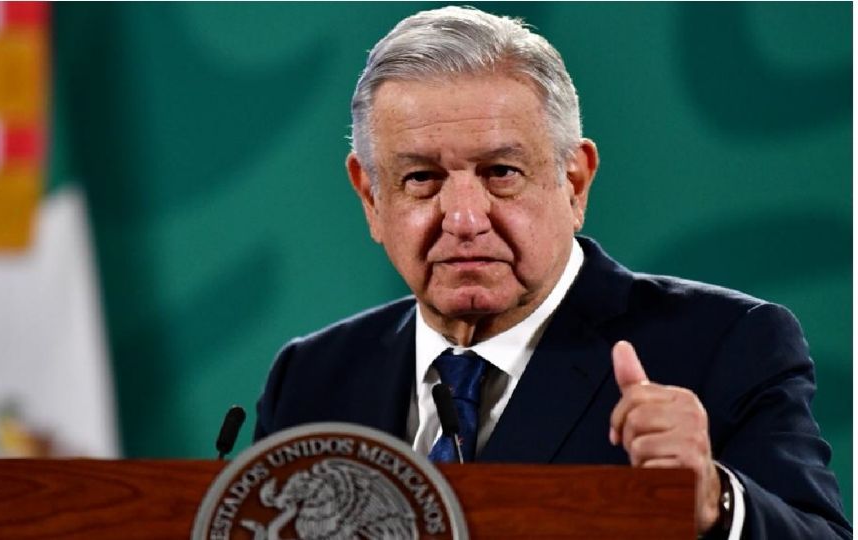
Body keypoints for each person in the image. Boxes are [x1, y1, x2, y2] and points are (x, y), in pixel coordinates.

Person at [253, 6, 850, 538]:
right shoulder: (311, 379)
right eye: (421, 179)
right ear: (370, 198)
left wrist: (714, 504)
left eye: (501, 172)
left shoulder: (722, 344)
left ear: (574, 181)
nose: (463, 218)